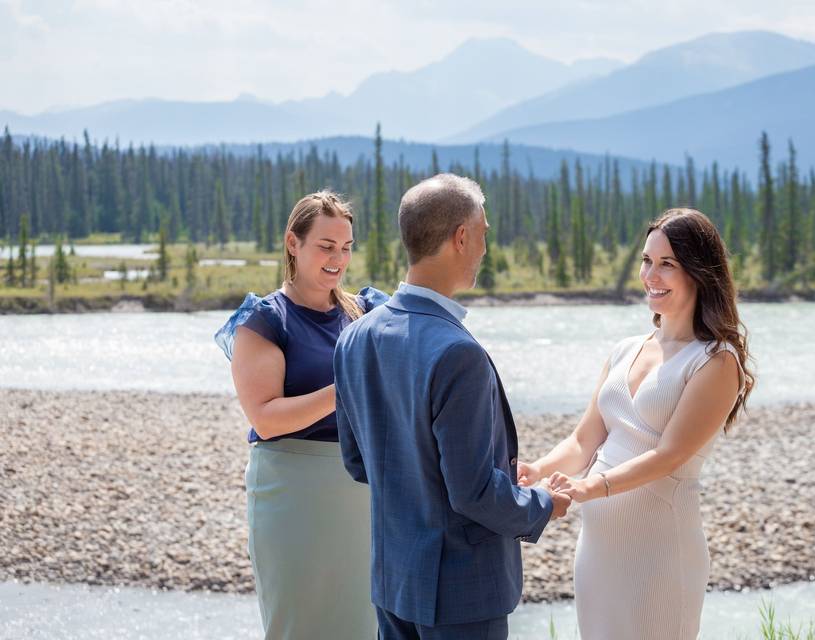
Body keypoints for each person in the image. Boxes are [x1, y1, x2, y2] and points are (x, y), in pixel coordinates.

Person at [333, 174, 571, 640]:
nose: (484, 246)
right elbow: (473, 494)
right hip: (461, 592)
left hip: (393, 581)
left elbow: (359, 463)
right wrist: (544, 503)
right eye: (483, 233)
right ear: (461, 238)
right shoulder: (457, 353)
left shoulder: (354, 337)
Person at [520, 208, 755, 640]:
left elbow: (670, 455)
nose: (651, 275)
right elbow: (583, 439)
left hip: (661, 555)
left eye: (668, 264)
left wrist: (591, 487)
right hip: (598, 553)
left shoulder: (716, 361)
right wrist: (537, 470)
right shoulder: (626, 348)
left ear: (700, 273)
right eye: (647, 261)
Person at [215, 191, 386, 640]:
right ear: (294, 242)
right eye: (325, 246)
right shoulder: (265, 320)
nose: (338, 259)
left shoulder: (367, 311)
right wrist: (346, 387)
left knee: (364, 625)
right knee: (298, 625)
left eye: (346, 247)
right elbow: (266, 417)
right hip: (293, 490)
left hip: (364, 491)